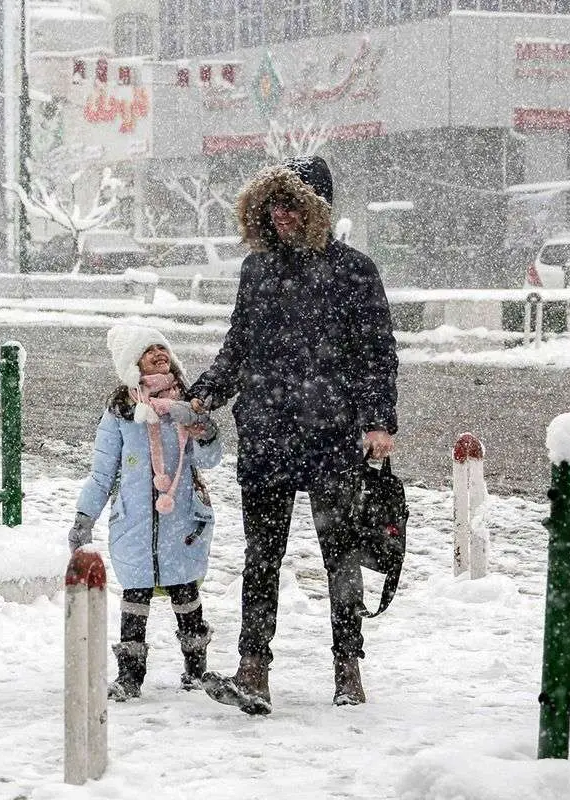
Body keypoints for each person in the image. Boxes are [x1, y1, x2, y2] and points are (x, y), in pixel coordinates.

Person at [189, 155, 399, 715]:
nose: (279, 217)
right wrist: (207, 391)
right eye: (272, 206)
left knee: (341, 556)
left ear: (315, 211)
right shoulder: (256, 271)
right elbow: (239, 345)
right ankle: (252, 668)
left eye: (291, 206)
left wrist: (379, 420)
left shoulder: (355, 271)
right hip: (267, 432)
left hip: (332, 435)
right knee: (261, 556)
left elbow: (377, 355)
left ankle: (347, 666)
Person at [70, 324, 223, 701]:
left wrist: (202, 428)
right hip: (135, 521)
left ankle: (195, 669)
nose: (159, 354)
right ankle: (130, 676)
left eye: (162, 347)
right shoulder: (121, 411)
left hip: (181, 517)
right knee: (135, 596)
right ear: (131, 363)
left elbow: (209, 458)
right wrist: (84, 516)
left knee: (185, 592)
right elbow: (103, 472)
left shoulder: (186, 403)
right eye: (148, 350)